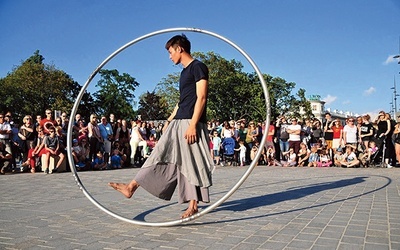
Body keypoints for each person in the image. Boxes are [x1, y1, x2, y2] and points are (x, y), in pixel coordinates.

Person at [108, 34, 213, 219]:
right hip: (179, 121)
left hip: (190, 122)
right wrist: (169, 121)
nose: (170, 56)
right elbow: (182, 101)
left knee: (189, 163)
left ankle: (193, 204)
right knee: (159, 154)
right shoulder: (183, 72)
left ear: (179, 48)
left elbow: (201, 97)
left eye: (170, 51)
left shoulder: (198, 67)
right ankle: (131, 187)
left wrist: (193, 125)